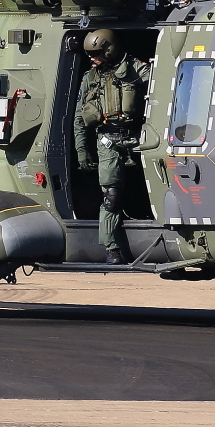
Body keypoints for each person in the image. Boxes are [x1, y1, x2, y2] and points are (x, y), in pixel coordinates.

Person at [71, 29, 150, 265]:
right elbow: (79, 116)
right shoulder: (90, 79)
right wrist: (82, 149)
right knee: (111, 197)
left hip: (139, 136)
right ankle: (112, 248)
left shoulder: (137, 69)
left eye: (96, 54)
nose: (92, 59)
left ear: (109, 49)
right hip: (107, 140)